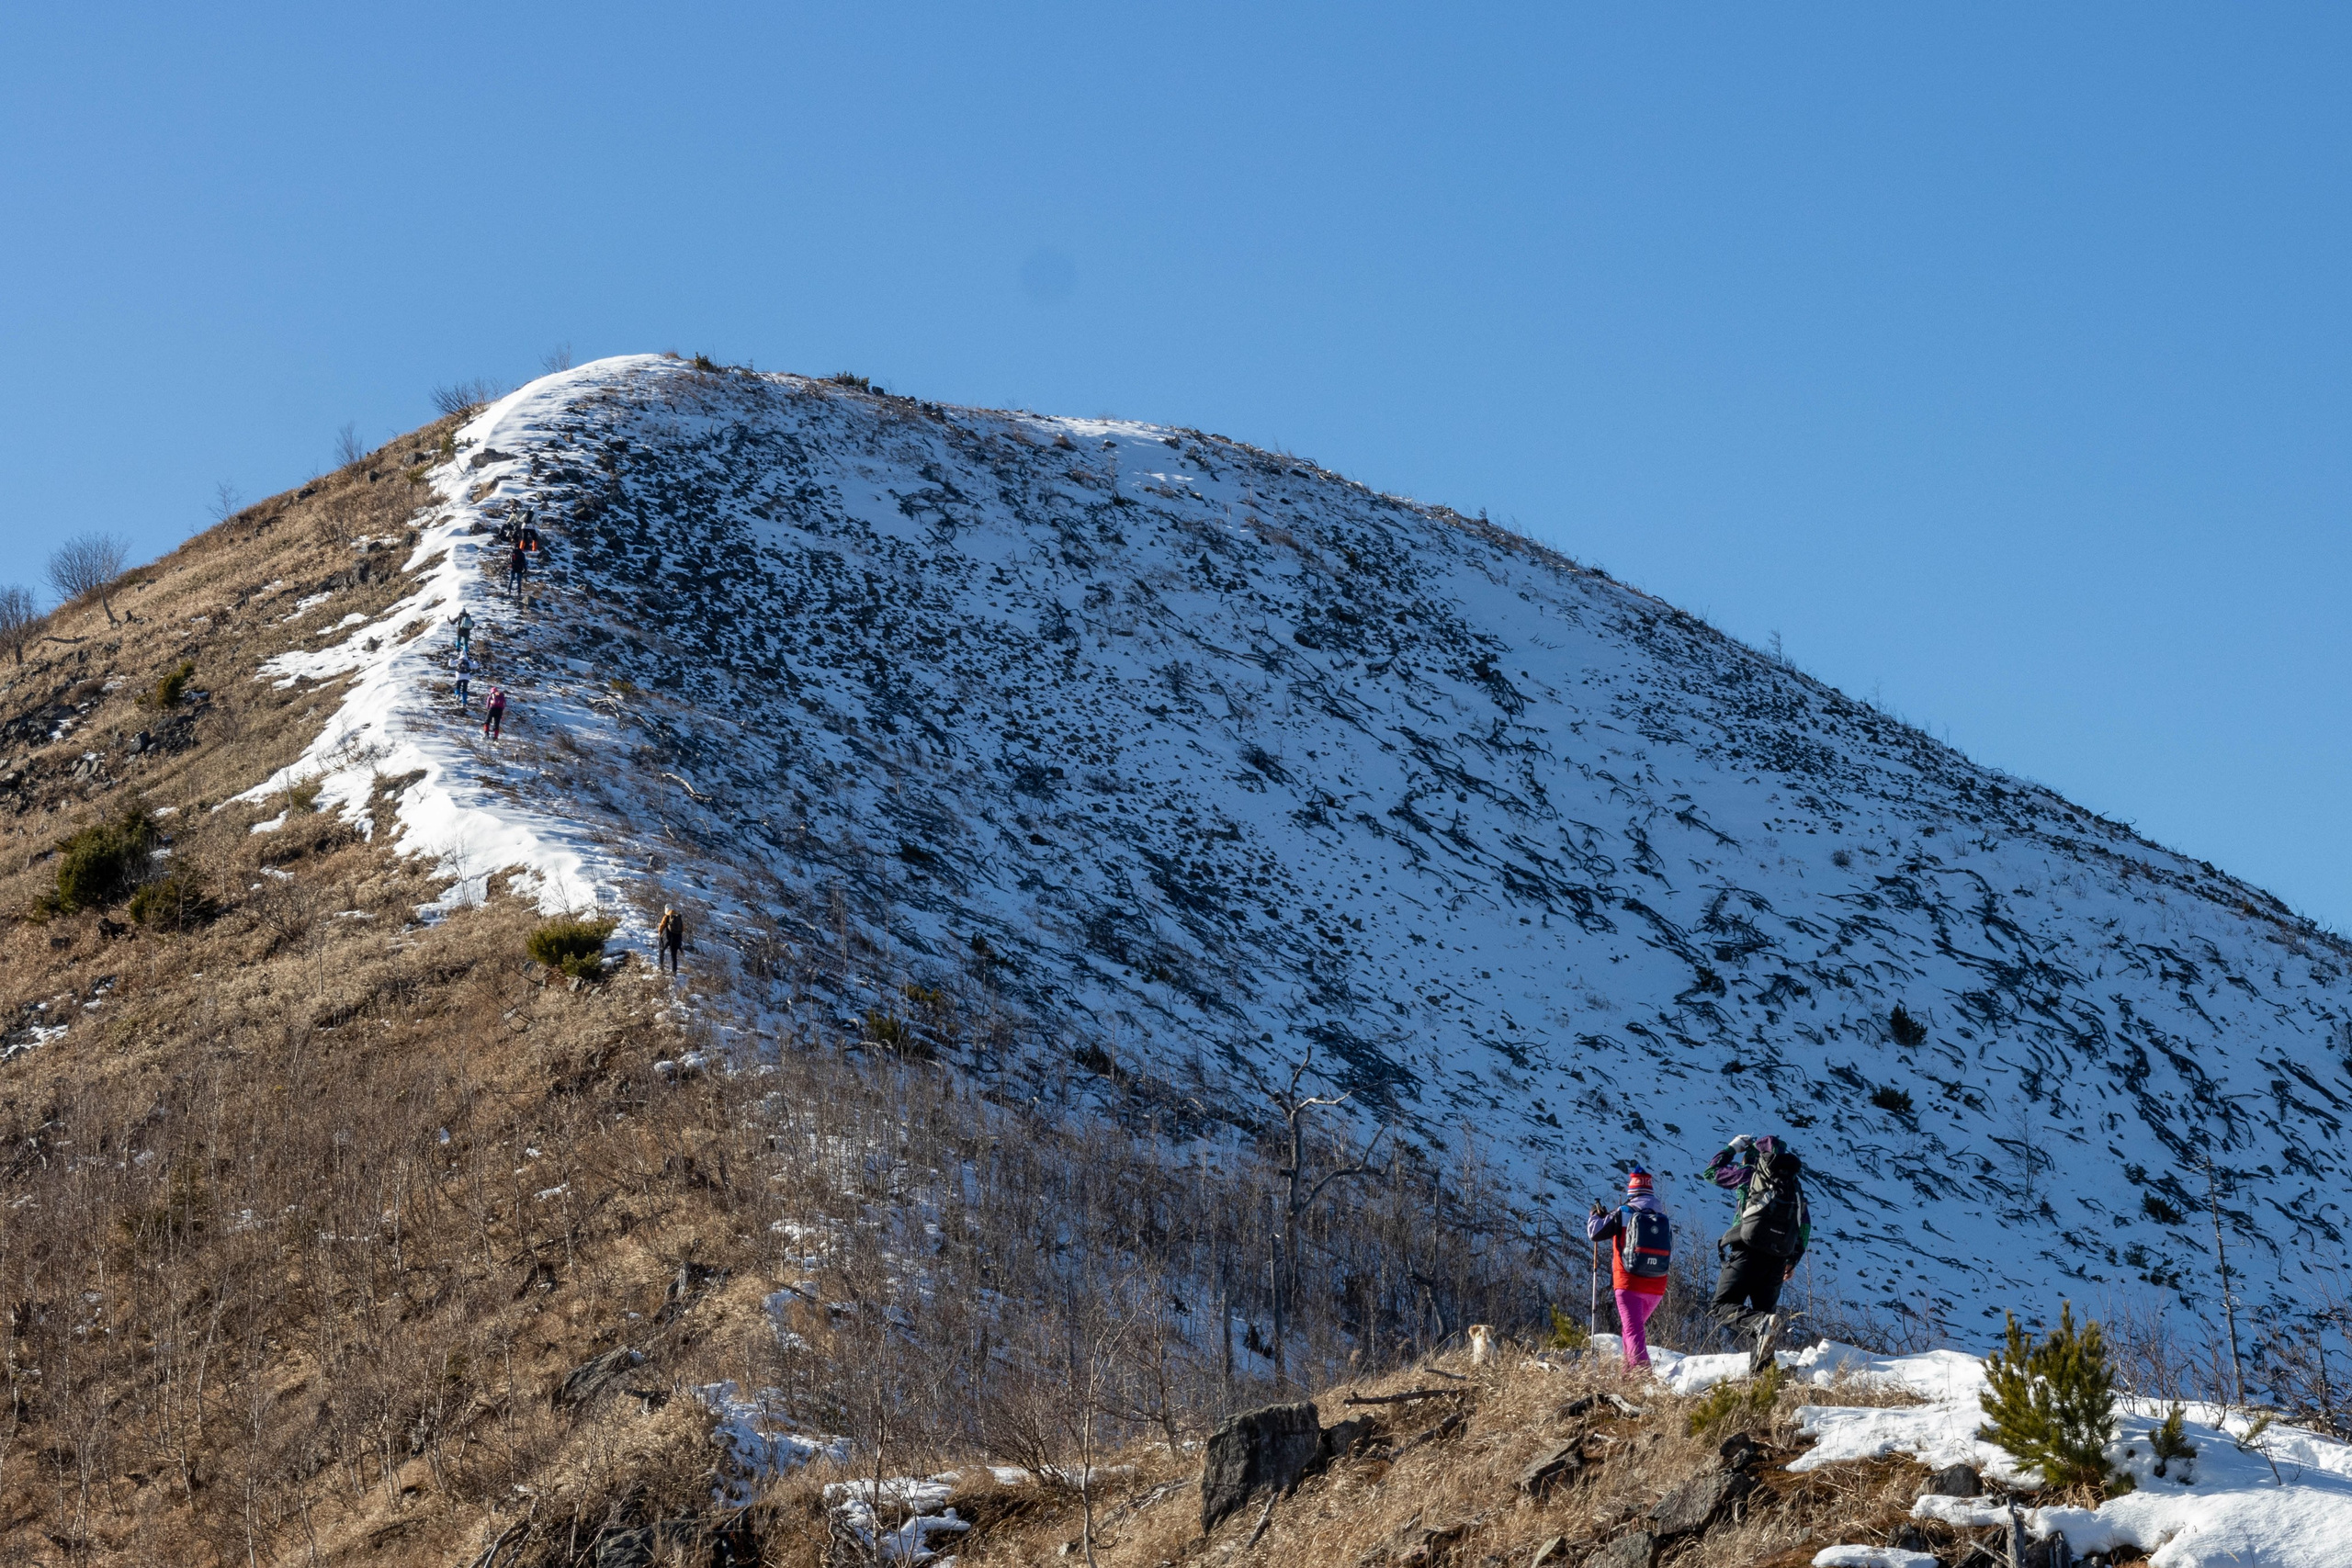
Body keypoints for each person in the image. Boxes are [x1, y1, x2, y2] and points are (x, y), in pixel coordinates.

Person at [1706, 1134, 1812, 1371]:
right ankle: (1762, 1381)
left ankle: (1759, 1323)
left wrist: (1733, 1148)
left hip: (1746, 1251)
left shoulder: (1748, 1175)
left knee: (1722, 1306)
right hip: (1777, 1259)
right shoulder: (1794, 1186)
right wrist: (1792, 1260)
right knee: (1766, 1324)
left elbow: (1711, 1172)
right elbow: (1804, 1225)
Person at [1588, 1165, 1673, 1371]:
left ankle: (1642, 1377)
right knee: (1631, 1329)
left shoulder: (1624, 1212)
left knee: (1633, 1329)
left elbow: (1595, 1233)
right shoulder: (1662, 1216)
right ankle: (1628, 1378)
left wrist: (1594, 1215)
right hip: (1657, 1284)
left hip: (1628, 1282)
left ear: (1631, 1192)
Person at [656, 905, 684, 975]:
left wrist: (660, 933)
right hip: (677, 938)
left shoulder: (666, 916)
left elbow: (661, 926)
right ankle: (674, 971)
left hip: (668, 937)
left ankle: (661, 966)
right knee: (674, 955)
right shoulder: (678, 917)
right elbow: (683, 928)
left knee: (661, 950)